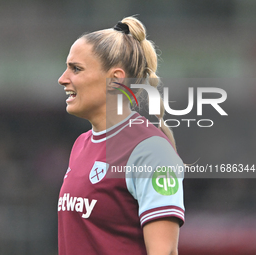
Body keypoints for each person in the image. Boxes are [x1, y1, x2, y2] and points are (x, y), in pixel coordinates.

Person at [57, 16, 185, 255]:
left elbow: (164, 251)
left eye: (76, 69)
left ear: (115, 79)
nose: (63, 79)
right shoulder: (81, 145)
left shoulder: (150, 150)